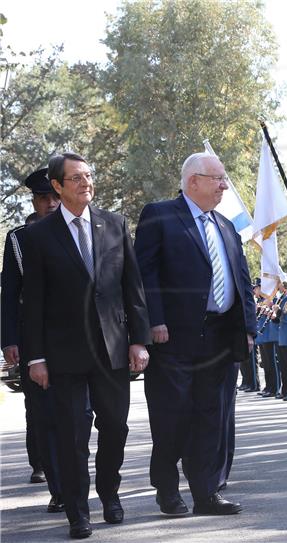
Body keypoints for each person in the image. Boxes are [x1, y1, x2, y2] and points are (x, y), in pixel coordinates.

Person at [23, 153, 151, 539]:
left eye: (89, 176)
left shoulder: (114, 225)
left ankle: (109, 494)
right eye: (76, 178)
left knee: (115, 426)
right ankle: (78, 513)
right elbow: (34, 302)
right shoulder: (38, 237)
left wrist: (139, 340)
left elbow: (134, 288)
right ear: (58, 186)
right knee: (72, 434)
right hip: (63, 355)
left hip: (112, 349)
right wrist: (36, 357)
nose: (85, 183)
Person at [135, 152, 256, 517]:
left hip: (220, 339)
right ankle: (167, 491)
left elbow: (242, 282)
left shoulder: (226, 226)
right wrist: (153, 321)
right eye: (218, 178)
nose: (224, 185)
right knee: (172, 416)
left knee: (211, 417)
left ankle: (206, 493)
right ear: (193, 182)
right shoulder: (159, 215)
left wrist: (247, 328)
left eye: (224, 179)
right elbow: (145, 275)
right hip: (173, 338)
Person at [1, 168, 64, 511]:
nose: (51, 204)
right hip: (33, 340)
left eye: (55, 197)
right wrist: (9, 339)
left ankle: (73, 479)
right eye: (43, 199)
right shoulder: (18, 239)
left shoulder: (80, 229)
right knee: (41, 413)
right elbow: (9, 294)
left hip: (74, 339)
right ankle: (56, 484)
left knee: (75, 415)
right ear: (35, 202)